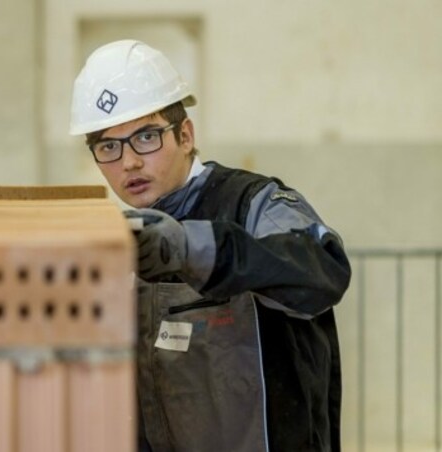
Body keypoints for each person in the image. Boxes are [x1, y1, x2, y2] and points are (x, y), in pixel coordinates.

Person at [70, 40, 351, 452]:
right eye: (108, 146)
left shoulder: (254, 204)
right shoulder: (124, 238)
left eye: (145, 136)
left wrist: (193, 248)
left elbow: (324, 274)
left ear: (185, 135)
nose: (128, 162)